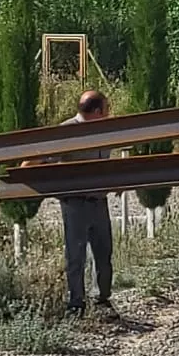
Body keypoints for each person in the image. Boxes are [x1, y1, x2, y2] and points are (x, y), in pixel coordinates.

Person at [57, 90, 116, 317]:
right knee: (76, 254)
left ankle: (101, 299)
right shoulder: (67, 131)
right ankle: (76, 304)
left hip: (99, 201)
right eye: (107, 108)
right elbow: (40, 158)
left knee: (104, 253)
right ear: (98, 111)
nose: (109, 113)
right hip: (75, 203)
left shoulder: (106, 131)